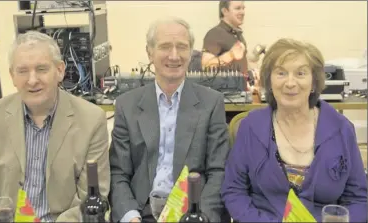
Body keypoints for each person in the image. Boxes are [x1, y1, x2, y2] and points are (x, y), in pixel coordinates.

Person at [0, 31, 110, 222]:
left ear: (60, 71)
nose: (32, 80)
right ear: (12, 76)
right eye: (23, 71)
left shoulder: (91, 120)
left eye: (41, 69)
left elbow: (91, 200)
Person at [221, 38, 367, 222]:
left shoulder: (341, 129)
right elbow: (234, 191)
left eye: (300, 73)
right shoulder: (250, 127)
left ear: (314, 83)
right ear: (269, 81)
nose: (290, 83)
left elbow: (358, 198)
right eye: (281, 73)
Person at [109, 17, 230, 222]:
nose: (174, 56)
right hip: (141, 213)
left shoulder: (212, 103)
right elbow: (118, 173)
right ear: (149, 52)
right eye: (165, 47)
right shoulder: (126, 106)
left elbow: (218, 171)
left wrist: (201, 216)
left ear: (191, 53)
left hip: (192, 212)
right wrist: (130, 216)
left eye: (181, 47)